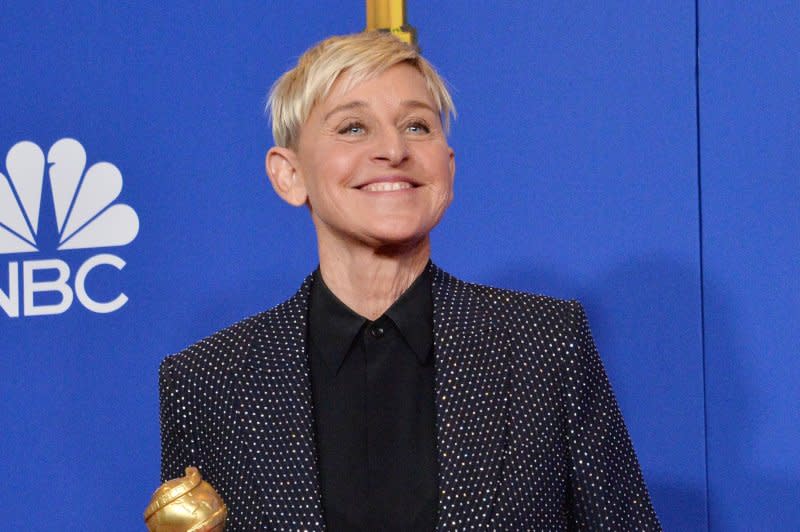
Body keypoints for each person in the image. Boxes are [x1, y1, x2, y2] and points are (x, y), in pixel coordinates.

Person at [159, 31, 661, 531]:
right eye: (354, 128)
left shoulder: (545, 345)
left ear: (448, 166)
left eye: (418, 126)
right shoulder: (207, 383)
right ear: (289, 175)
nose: (394, 149)